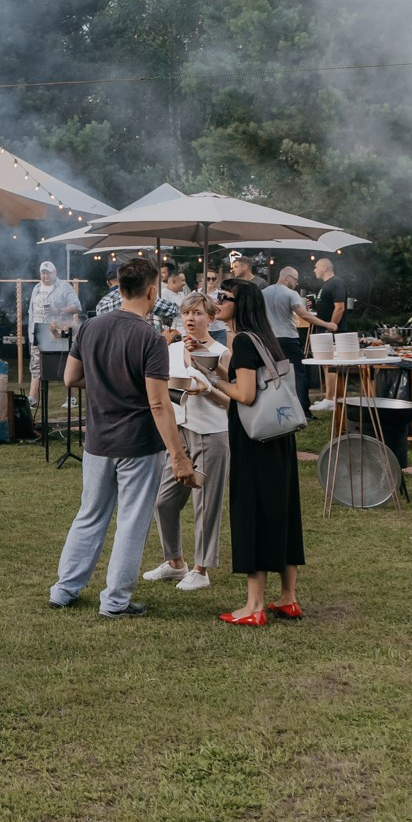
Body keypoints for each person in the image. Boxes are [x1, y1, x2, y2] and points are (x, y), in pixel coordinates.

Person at [48, 257, 199, 618]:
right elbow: (159, 404)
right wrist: (179, 456)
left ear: (119, 287)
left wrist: (105, 382)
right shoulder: (150, 337)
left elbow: (70, 378)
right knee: (131, 519)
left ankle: (64, 589)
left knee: (90, 514)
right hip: (138, 443)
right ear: (151, 292)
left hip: (99, 440)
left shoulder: (90, 327)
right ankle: (115, 601)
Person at [203, 278, 307, 625]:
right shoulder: (265, 339)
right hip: (279, 437)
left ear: (239, 303)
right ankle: (288, 598)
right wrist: (215, 370)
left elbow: (245, 394)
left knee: (254, 513)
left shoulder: (244, 341)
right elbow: (251, 383)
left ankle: (254, 607)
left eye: (223, 296)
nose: (217, 302)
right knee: (284, 512)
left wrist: (212, 382)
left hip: (254, 441)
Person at [143, 292, 231, 592]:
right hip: (180, 431)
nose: (191, 319)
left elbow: (234, 401)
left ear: (211, 318)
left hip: (211, 431)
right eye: (187, 313)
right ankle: (175, 562)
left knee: (205, 503)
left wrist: (206, 388)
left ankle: (201, 569)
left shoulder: (222, 352)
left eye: (197, 313)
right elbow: (165, 388)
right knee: (164, 500)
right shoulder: (172, 348)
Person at [263, 266, 331, 412]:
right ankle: (303, 409)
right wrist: (327, 324)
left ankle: (276, 408)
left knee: (274, 373)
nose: (296, 283)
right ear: (287, 277)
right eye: (295, 280)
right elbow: (303, 315)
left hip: (269, 340)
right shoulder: (291, 293)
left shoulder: (263, 293)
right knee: (298, 373)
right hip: (288, 339)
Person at [30, 262, 81, 432]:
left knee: (65, 364)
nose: (45, 276)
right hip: (38, 332)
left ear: (55, 272)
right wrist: (30, 331)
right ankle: (33, 399)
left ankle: (71, 398)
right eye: (43, 273)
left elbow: (77, 306)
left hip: (58, 331)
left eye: (48, 273)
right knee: (36, 366)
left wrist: (58, 309)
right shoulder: (36, 288)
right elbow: (31, 311)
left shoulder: (64, 287)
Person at [308, 257, 349, 412]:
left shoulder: (336, 282)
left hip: (331, 331)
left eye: (316, 267)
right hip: (324, 330)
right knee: (326, 364)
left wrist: (331, 327)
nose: (314, 270)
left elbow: (339, 307)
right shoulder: (326, 285)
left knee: (331, 364)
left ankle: (331, 399)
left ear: (324, 267)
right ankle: (328, 397)